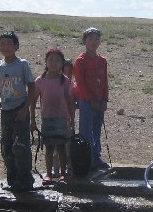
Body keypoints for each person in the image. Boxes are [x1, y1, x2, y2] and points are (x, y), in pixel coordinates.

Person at [0, 31, 36, 192]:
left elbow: (32, 87)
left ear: (16, 46)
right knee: (6, 146)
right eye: (2, 44)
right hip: (5, 111)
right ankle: (12, 180)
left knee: (20, 145)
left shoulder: (22, 64)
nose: (5, 47)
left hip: (20, 109)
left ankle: (25, 180)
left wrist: (25, 109)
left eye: (9, 44)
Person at [30, 49, 76, 181]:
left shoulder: (65, 81)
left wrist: (72, 119)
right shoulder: (40, 81)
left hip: (62, 119)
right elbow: (33, 101)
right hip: (47, 119)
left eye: (57, 60)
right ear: (46, 62)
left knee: (61, 146)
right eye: (51, 60)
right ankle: (49, 173)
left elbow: (70, 100)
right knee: (49, 147)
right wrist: (32, 119)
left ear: (62, 63)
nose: (54, 63)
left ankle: (63, 172)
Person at [74, 27, 109, 169]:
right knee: (86, 132)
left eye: (96, 39)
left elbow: (105, 80)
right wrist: (90, 99)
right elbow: (80, 83)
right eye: (90, 39)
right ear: (85, 41)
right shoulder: (80, 61)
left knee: (97, 130)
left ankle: (96, 157)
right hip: (86, 102)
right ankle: (86, 159)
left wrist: (105, 99)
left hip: (99, 101)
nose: (94, 42)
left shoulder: (102, 60)